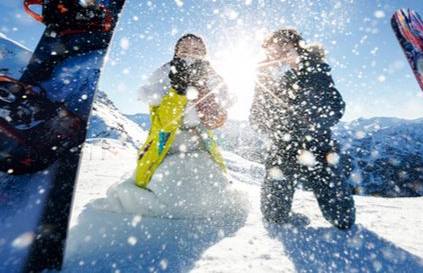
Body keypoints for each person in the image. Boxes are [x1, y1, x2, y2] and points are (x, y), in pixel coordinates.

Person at [107, 33, 243, 218]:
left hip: (198, 144)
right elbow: (165, 122)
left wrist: (204, 92)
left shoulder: (212, 77)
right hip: (168, 146)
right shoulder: (163, 75)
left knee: (216, 196)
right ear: (176, 52)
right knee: (174, 197)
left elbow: (216, 120)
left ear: (204, 54)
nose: (190, 54)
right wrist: (178, 91)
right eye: (184, 49)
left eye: (196, 50)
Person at [249, 28, 355, 229]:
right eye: (274, 48)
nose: (279, 52)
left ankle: (337, 210)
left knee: (343, 220)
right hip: (282, 149)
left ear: (296, 47)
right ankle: (279, 209)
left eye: (285, 46)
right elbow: (255, 118)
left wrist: (309, 121)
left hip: (318, 147)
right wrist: (275, 121)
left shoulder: (315, 70)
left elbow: (336, 107)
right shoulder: (263, 77)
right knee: (273, 216)